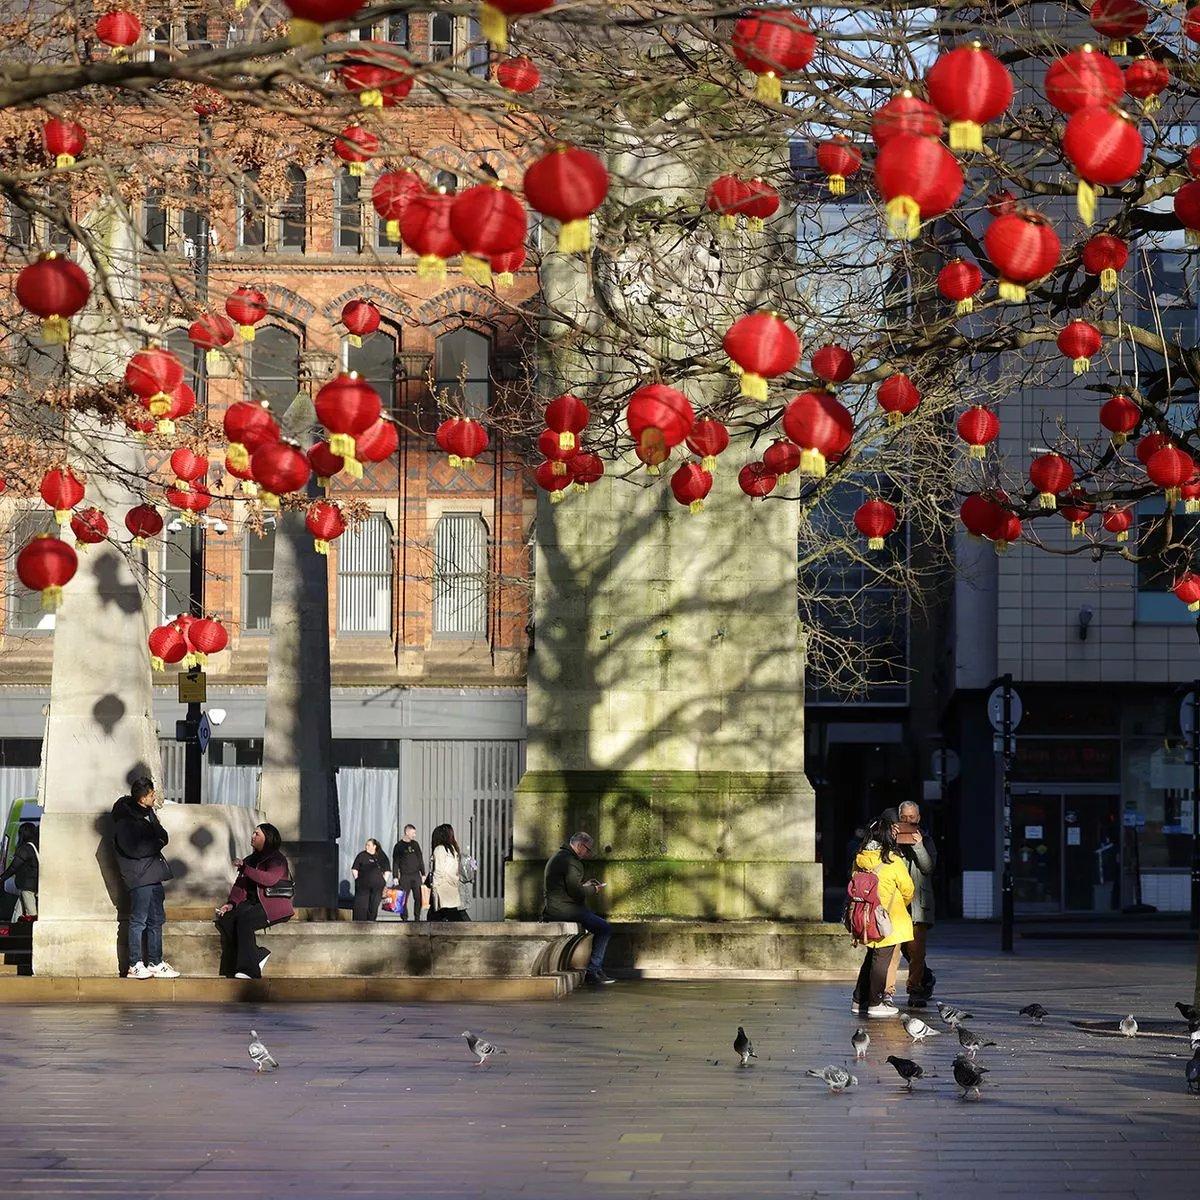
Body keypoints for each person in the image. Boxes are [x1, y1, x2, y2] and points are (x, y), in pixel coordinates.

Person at [112, 777, 179, 980]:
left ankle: (155, 961)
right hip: (139, 876)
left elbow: (163, 835)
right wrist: (156, 843)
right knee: (139, 920)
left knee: (156, 920)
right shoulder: (125, 821)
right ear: (142, 798)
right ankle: (134, 963)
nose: (154, 798)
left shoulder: (149, 815)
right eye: (151, 795)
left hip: (153, 873)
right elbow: (134, 849)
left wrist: (157, 840)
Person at [849, 821, 914, 1019]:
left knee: (871, 958)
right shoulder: (892, 861)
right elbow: (908, 890)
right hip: (887, 919)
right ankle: (876, 1003)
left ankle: (859, 1000)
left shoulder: (860, 858)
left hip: (865, 917)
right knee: (881, 961)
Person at [215, 822, 294, 979]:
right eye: (253, 833)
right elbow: (240, 886)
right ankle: (257, 955)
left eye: (257, 834)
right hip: (251, 903)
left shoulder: (277, 859)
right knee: (226, 920)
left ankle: (248, 970)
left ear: (268, 838)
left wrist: (245, 868)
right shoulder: (250, 860)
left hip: (273, 905)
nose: (252, 836)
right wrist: (230, 904)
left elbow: (269, 879)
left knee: (245, 921)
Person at [881, 802, 938, 1007]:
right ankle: (887, 992)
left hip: (916, 906)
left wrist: (919, 845)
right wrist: (890, 838)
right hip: (895, 906)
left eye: (912, 818)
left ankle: (916, 990)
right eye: (903, 817)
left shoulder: (926, 839)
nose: (908, 822)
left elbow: (928, 867)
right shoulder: (889, 838)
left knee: (916, 953)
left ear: (918, 818)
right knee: (892, 952)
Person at [542, 832, 614, 986]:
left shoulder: (560, 857)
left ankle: (596, 968)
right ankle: (593, 970)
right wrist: (594, 889)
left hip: (556, 907)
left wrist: (585, 885)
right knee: (604, 928)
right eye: (588, 850)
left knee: (595, 920)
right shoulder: (571, 861)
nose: (588, 854)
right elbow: (576, 892)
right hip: (564, 909)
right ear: (580, 846)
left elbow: (569, 886)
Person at [427, 823, 471, 921]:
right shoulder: (452, 850)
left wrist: (434, 885)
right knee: (451, 914)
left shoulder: (439, 849)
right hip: (452, 887)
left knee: (436, 916)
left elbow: (439, 870)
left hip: (442, 888)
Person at [0, 822, 39, 919]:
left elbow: (14, 867)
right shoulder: (35, 847)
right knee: (18, 910)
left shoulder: (25, 849)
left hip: (27, 885)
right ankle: (15, 925)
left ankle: (31, 930)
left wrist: (2, 878)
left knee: (31, 912)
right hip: (32, 884)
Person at [391, 824, 425, 922]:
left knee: (418, 898)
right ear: (407, 832)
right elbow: (395, 862)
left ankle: (417, 918)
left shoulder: (415, 844)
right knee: (403, 899)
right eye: (413, 833)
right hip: (405, 876)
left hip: (416, 876)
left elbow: (420, 859)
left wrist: (423, 874)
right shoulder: (398, 846)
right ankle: (404, 919)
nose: (414, 835)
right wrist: (395, 876)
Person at [351, 837, 390, 922]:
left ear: (374, 846)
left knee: (374, 905)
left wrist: (383, 881)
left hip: (377, 886)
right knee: (362, 905)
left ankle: (371, 922)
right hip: (363, 886)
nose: (366, 847)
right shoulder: (361, 855)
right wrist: (357, 879)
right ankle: (360, 924)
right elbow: (354, 869)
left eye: (368, 845)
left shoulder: (381, 856)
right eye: (366, 845)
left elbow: (387, 870)